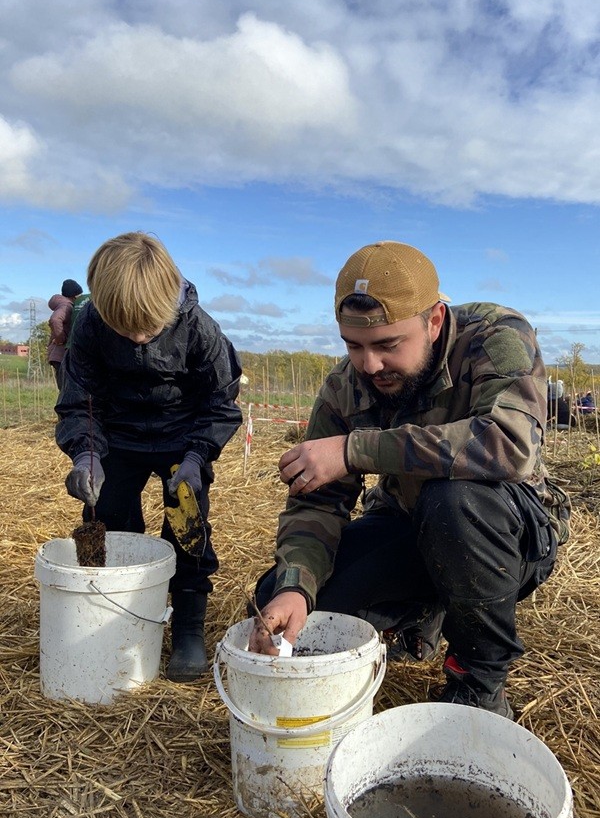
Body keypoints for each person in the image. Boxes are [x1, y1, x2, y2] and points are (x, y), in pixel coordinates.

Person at [249, 240, 571, 719]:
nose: (370, 365)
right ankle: (420, 620)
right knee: (281, 601)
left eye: (387, 345)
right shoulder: (346, 386)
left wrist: (354, 450)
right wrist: (297, 584)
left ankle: (478, 683)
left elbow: (510, 444)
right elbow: (316, 503)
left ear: (434, 321)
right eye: (352, 346)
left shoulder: (495, 335)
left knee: (453, 501)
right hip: (408, 524)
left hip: (505, 530)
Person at [56, 232, 243, 681]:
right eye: (126, 330)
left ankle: (188, 629)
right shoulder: (90, 327)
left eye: (149, 329)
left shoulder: (200, 329)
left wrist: (198, 458)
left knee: (187, 525)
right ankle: (116, 613)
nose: (138, 337)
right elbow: (81, 399)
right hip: (116, 437)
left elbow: (220, 401)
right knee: (110, 517)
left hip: (184, 439)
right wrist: (86, 455)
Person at [47, 279, 84, 387]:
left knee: (65, 389)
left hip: (58, 355)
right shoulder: (66, 306)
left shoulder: (63, 304)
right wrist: (61, 339)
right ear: (74, 296)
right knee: (65, 391)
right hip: (61, 354)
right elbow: (55, 319)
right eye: (79, 295)